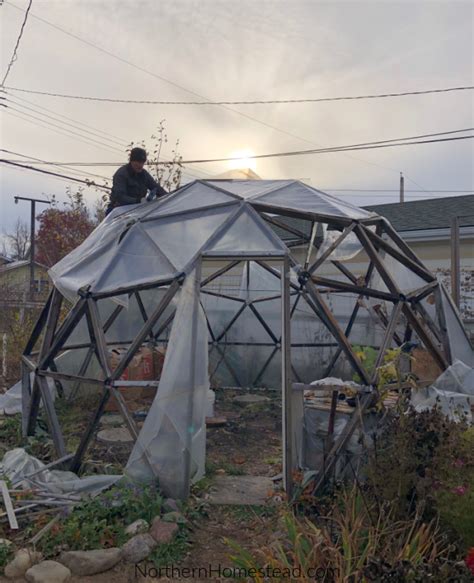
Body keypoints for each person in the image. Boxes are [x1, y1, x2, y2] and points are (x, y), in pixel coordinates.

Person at [106, 147, 167, 215]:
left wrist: (169, 197)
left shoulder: (144, 175)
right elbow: (120, 197)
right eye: (138, 162)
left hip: (137, 210)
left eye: (142, 163)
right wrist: (138, 201)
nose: (140, 165)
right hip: (118, 211)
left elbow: (156, 187)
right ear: (132, 161)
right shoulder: (121, 174)